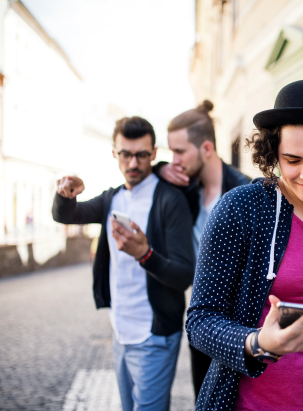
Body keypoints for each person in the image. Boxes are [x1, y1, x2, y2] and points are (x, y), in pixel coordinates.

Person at [185, 79, 303, 411]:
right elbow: (200, 320)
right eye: (293, 159)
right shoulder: (241, 209)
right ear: (274, 153)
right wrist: (257, 343)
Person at [53, 116, 196, 411]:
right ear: (114, 154)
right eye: (125, 154)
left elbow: (184, 275)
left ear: (154, 153)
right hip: (119, 330)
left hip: (155, 333)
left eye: (142, 155)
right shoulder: (112, 198)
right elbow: (67, 216)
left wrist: (145, 254)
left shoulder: (170, 200)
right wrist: (65, 193)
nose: (133, 163)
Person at [153, 100, 251, 400]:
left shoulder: (243, 191)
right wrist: (159, 169)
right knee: (204, 397)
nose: (174, 160)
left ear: (206, 149)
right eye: (170, 153)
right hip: (201, 315)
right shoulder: (184, 186)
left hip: (240, 320)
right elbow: (145, 173)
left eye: (179, 152)